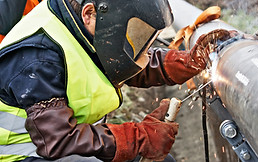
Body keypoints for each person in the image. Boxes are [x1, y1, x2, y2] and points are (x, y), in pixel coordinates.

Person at [0, 0, 234, 161]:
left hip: (61, 143)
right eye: (132, 32)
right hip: (22, 155)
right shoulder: (39, 57)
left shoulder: (82, 25)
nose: (135, 42)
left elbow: (119, 59)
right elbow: (59, 142)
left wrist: (183, 61)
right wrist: (137, 138)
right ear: (89, 13)